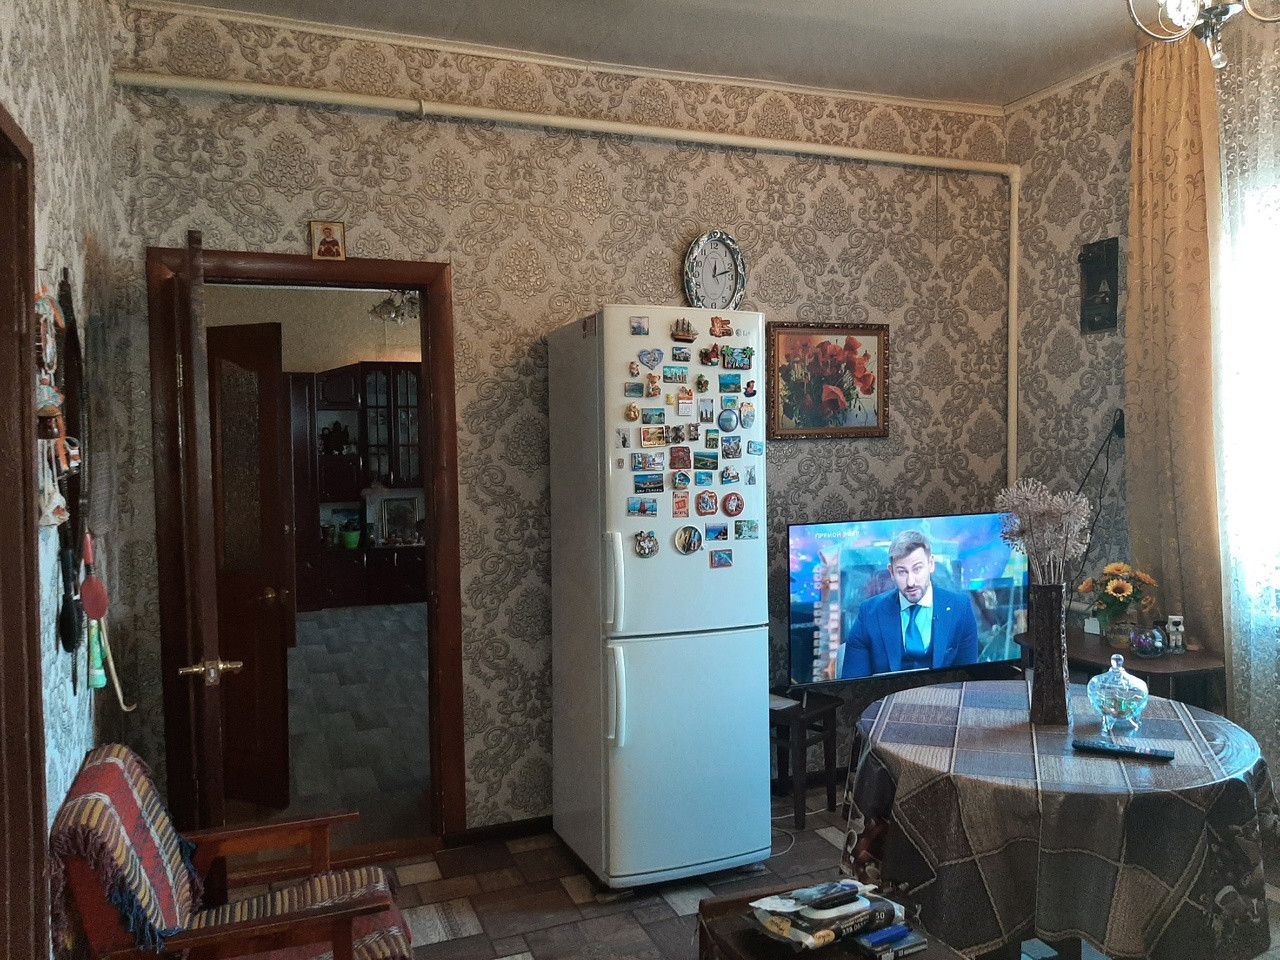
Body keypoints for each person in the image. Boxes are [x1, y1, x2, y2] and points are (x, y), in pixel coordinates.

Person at [836, 529, 979, 678]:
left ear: (931, 564)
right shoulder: (869, 614)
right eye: (902, 572)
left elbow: (968, 679)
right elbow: (854, 682)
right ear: (891, 572)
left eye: (917, 569)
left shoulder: (960, 608)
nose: (911, 582)